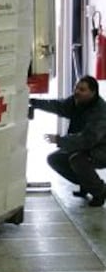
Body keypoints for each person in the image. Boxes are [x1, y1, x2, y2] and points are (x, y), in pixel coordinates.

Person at [29, 75, 106, 207]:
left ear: (93, 93)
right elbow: (57, 106)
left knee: (77, 159)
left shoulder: (100, 112)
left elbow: (87, 140)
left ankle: (100, 191)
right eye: (76, 88)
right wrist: (35, 102)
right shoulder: (77, 102)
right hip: (85, 147)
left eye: (82, 89)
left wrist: (60, 140)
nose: (76, 92)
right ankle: (86, 184)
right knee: (55, 159)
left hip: (101, 149)